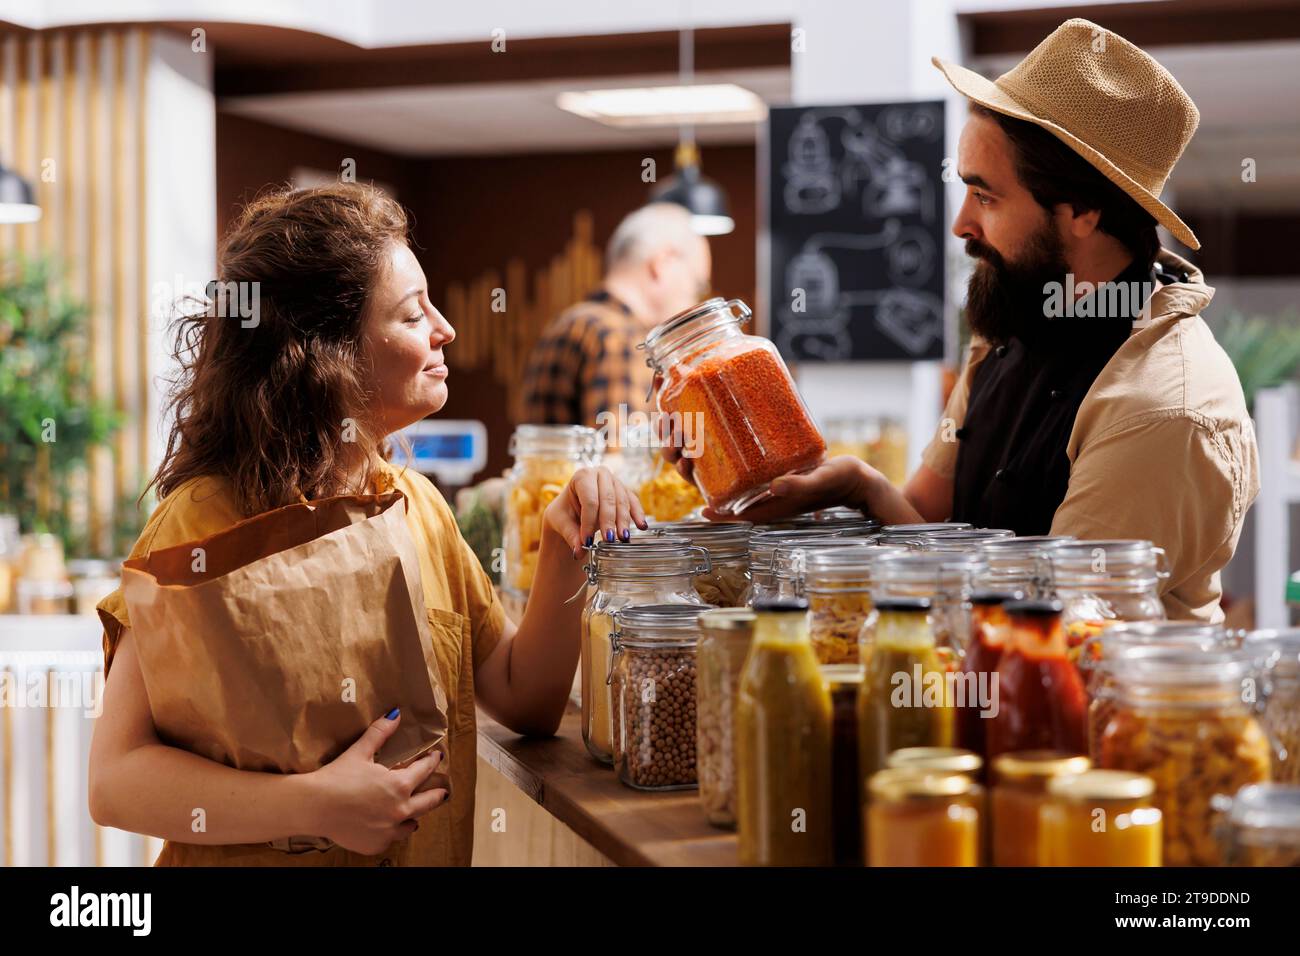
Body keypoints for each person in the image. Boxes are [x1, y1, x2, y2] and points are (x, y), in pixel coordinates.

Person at [88, 184, 649, 865]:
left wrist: (565, 543)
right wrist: (315, 806)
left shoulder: (419, 507)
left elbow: (522, 697)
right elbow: (115, 780)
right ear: (326, 353)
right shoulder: (202, 521)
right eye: (414, 316)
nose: (445, 329)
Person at [664, 19, 1258, 623]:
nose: (961, 224)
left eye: (987, 196)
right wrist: (797, 475)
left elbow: (1051, 630)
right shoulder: (1010, 329)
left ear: (1082, 209)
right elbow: (924, 523)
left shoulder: (1161, 406)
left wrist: (861, 490)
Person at [519, 202, 711, 437]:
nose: (694, 300)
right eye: (698, 285)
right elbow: (620, 462)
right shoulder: (616, 337)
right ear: (662, 264)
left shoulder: (569, 321)